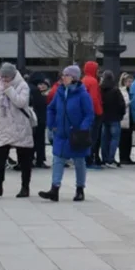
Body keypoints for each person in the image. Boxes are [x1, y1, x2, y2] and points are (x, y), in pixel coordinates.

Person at [43, 65, 95, 202]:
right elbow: (51, 108)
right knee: (58, 159)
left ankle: (80, 189)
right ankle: (55, 188)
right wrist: (52, 124)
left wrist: (83, 128)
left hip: (77, 135)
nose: (63, 77)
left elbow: (89, 114)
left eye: (66, 75)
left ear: (74, 78)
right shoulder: (60, 93)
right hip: (61, 133)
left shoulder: (83, 95)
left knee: (79, 161)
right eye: (63, 75)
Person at [0, 63, 36, 198]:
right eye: (3, 76)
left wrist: (9, 90)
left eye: (7, 77)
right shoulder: (0, 85)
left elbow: (21, 102)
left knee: (24, 159)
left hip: (20, 125)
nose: (4, 79)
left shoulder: (22, 85)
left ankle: (25, 187)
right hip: (4, 126)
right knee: (0, 158)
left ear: (13, 75)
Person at [97, 70, 125, 170]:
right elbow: (122, 104)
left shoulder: (100, 90)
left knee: (104, 139)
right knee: (114, 139)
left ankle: (104, 158)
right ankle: (111, 159)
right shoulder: (115, 90)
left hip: (104, 118)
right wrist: (121, 114)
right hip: (115, 118)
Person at [80, 61, 104, 167]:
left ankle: (85, 158)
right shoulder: (93, 81)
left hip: (84, 112)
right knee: (93, 137)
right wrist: (99, 111)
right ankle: (89, 159)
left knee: (86, 136)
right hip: (94, 113)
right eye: (97, 68)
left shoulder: (83, 80)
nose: (98, 70)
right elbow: (94, 98)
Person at [29, 74, 50, 169]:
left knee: (32, 140)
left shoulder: (29, 88)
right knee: (40, 140)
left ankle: (31, 158)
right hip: (39, 119)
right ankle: (40, 160)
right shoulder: (35, 91)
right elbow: (41, 104)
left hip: (32, 119)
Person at [117, 72, 133, 167]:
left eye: (131, 81)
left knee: (129, 138)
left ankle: (128, 157)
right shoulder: (122, 91)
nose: (130, 83)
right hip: (124, 118)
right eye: (128, 81)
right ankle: (123, 157)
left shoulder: (131, 91)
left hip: (130, 118)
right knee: (123, 139)